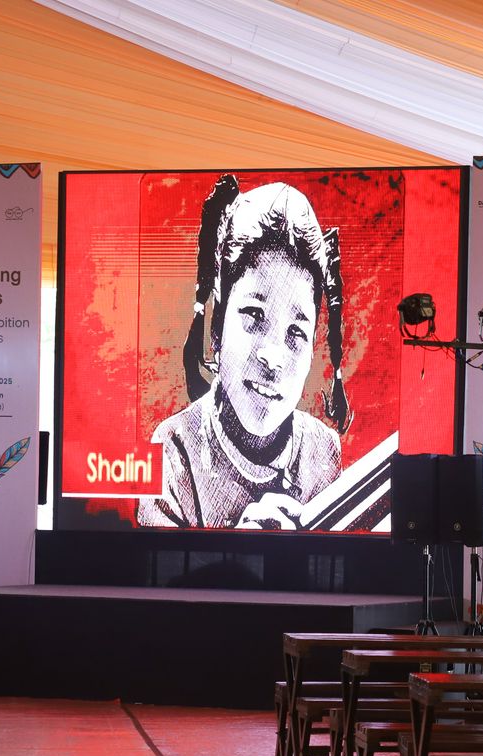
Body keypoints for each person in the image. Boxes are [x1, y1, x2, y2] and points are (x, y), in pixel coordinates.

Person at [138, 176, 350, 529]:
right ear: (217, 327)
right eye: (254, 315)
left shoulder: (323, 452)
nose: (274, 357)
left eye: (296, 332)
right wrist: (238, 545)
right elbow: (157, 563)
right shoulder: (173, 450)